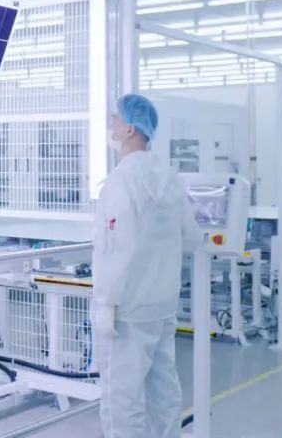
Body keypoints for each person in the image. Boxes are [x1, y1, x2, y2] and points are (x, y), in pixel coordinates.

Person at [93, 94, 204, 438]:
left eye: (115, 119)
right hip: (162, 305)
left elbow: (115, 248)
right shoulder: (169, 177)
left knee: (122, 397)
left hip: (127, 311)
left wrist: (107, 303)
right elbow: (192, 238)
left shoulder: (120, 181)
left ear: (129, 129)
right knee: (163, 389)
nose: (111, 124)